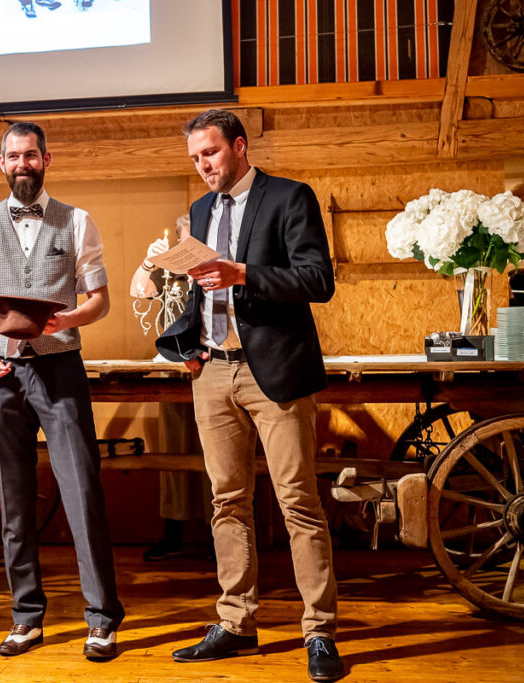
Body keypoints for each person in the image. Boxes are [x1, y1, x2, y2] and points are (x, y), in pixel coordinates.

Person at [157, 109, 344, 682]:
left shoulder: (290, 197)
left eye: (209, 153)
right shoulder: (199, 211)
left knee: (298, 502)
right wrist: (184, 343)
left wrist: (243, 273)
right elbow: (200, 290)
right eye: (194, 158)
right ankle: (236, 623)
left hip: (276, 375)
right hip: (213, 372)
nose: (202, 165)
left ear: (238, 146)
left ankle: (320, 632)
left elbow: (318, 280)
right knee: (226, 502)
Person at [0, 121, 124, 660]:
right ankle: (25, 616)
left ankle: (101, 618)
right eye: (13, 156)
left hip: (59, 369)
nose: (22, 163)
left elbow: (100, 299)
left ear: (46, 160)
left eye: (31, 155)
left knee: (82, 493)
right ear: (1, 164)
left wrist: (67, 318)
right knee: (15, 501)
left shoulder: (77, 222)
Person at [129, 216, 214, 562]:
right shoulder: (168, 271)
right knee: (174, 451)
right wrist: (149, 262)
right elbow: (138, 291)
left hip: (213, 366)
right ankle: (174, 533)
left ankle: (215, 535)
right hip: (172, 368)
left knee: (217, 455)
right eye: (184, 240)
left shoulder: (218, 267)